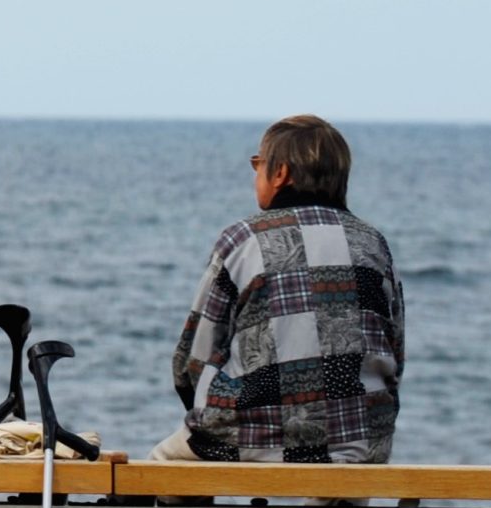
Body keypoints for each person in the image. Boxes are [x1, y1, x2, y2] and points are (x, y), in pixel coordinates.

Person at [152, 114, 406, 468]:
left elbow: (194, 357)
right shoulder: (372, 243)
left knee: (162, 464)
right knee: (345, 488)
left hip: (252, 435)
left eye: (258, 164)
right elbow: (395, 350)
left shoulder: (243, 239)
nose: (255, 173)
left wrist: (202, 411)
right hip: (360, 440)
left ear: (280, 173)